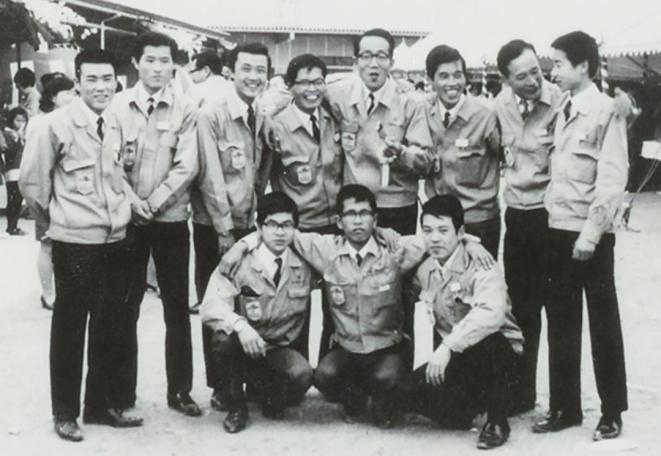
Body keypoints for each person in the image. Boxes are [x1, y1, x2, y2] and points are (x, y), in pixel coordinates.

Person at [221, 185, 492, 428]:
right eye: (351, 214)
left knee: (387, 382)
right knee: (324, 376)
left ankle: (380, 400)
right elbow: (283, 232)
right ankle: (362, 401)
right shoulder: (326, 250)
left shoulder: (396, 250)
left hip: (387, 347)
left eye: (364, 214)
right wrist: (242, 244)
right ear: (339, 222)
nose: (358, 220)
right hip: (348, 348)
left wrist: (469, 241)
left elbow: (439, 238)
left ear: (375, 219)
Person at [19, 49, 142, 442]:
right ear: (77, 81)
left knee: (110, 325)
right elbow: (33, 185)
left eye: (108, 79)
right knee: (70, 328)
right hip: (75, 242)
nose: (101, 87)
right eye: (92, 79)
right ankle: (65, 412)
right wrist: (61, 222)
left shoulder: (117, 122)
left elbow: (118, 177)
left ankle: (99, 406)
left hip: (115, 238)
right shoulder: (53, 125)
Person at [533, 31, 628, 441]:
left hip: (590, 235)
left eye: (558, 63)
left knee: (603, 323)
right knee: (561, 323)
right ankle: (565, 406)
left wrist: (591, 234)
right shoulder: (563, 106)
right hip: (557, 228)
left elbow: (612, 178)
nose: (552, 71)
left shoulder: (606, 111)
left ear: (583, 66)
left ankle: (612, 411)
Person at [110, 32, 201, 416]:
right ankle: (122, 394)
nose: (158, 68)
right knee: (125, 307)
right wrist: (135, 204)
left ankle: (180, 391)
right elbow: (109, 162)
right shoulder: (116, 105)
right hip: (128, 221)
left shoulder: (186, 107)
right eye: (150, 60)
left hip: (171, 219)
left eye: (165, 61)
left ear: (174, 66)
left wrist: (154, 202)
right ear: (136, 63)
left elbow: (187, 165)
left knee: (176, 309)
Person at [396, 195, 523, 450]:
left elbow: (491, 314)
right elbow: (393, 244)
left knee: (490, 342)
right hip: (458, 360)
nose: (434, 238)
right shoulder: (426, 268)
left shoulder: (481, 263)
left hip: (498, 355)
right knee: (403, 394)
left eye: (443, 230)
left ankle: (497, 422)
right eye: (428, 230)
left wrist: (446, 348)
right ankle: (467, 410)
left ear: (461, 232)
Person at [193, 42, 272, 411]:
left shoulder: (261, 114)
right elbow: (210, 176)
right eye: (246, 69)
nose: (253, 77)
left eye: (260, 70)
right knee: (216, 306)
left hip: (248, 224)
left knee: (247, 301)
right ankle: (221, 386)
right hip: (215, 226)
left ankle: (248, 382)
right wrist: (224, 229)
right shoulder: (212, 114)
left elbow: (261, 168)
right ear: (230, 71)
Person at [201, 192, 314, 433]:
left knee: (302, 374)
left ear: (295, 229)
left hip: (277, 349)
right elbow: (210, 306)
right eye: (272, 225)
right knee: (222, 340)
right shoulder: (238, 262)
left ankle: (266, 393)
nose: (280, 232)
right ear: (259, 227)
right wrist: (240, 326)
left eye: (287, 225)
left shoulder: (305, 262)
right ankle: (237, 407)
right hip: (243, 345)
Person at [493, 39, 564, 414]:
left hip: (552, 218)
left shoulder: (561, 102)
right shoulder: (499, 108)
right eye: (522, 77)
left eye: (536, 71)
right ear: (506, 80)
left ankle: (562, 401)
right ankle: (523, 393)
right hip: (518, 217)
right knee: (522, 309)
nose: (534, 81)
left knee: (558, 309)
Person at [269, 53, 343, 360]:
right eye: (304, 83)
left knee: (336, 306)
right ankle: (296, 374)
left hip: (333, 228)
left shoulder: (333, 119)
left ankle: (329, 373)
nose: (312, 89)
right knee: (296, 308)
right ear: (290, 86)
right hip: (299, 231)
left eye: (318, 82)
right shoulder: (277, 127)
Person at [326, 28, 433, 235]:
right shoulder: (338, 94)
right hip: (354, 205)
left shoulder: (411, 102)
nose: (373, 64)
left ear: (391, 62)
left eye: (381, 56)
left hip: (397, 205)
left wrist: (401, 152)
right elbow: (297, 92)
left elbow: (425, 161)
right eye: (366, 56)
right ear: (356, 62)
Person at [419, 45, 501, 258]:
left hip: (478, 220)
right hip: (439, 222)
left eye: (457, 75)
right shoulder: (425, 113)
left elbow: (506, 155)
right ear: (431, 80)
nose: (452, 83)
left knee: (481, 276)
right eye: (443, 76)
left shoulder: (485, 115)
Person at [30, 75, 76, 310]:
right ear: (52, 97)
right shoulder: (41, 122)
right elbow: (35, 169)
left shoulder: (74, 121)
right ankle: (48, 294)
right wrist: (42, 204)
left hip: (69, 197)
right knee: (48, 245)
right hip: (47, 195)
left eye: (74, 92)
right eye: (66, 93)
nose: (72, 97)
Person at [2, 107, 28, 235]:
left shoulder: (23, 134)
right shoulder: (7, 133)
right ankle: (11, 227)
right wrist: (18, 138)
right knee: (13, 199)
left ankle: (13, 226)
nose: (21, 123)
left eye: (23, 120)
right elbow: (9, 151)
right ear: (12, 120)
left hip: (22, 168)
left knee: (18, 199)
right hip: (12, 169)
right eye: (18, 120)